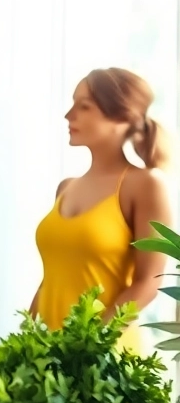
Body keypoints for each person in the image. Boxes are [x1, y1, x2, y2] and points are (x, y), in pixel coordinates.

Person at [31, 68, 172, 351]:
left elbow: (149, 283)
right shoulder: (66, 188)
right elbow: (52, 278)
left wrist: (88, 345)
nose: (69, 115)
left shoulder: (145, 184)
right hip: (48, 359)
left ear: (122, 118)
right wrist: (27, 341)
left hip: (104, 362)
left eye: (84, 106)